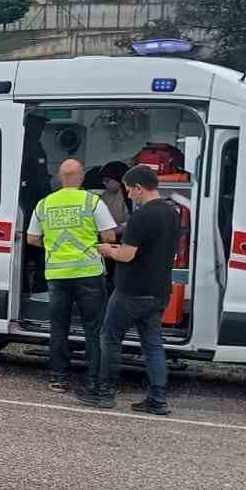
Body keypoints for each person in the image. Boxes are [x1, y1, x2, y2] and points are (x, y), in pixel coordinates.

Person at [88, 165, 181, 415]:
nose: (128, 195)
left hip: (131, 291)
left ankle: (104, 393)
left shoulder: (141, 216)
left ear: (139, 188)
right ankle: (157, 399)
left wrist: (108, 250)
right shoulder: (172, 212)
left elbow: (127, 255)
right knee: (152, 345)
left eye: (130, 190)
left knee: (109, 338)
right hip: (159, 291)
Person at [27, 158, 117, 396]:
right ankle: (93, 381)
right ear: (82, 176)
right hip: (88, 273)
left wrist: (54, 242)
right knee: (94, 330)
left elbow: (32, 239)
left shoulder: (45, 204)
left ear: (59, 177)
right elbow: (109, 237)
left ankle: (59, 379)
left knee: (58, 329)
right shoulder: (92, 201)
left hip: (57, 275)